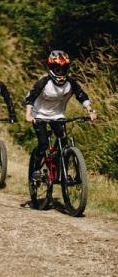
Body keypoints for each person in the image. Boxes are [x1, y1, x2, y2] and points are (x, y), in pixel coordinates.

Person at [25, 50, 97, 180]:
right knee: (43, 144)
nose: (61, 72)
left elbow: (81, 95)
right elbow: (31, 97)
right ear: (51, 68)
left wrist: (90, 111)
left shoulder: (70, 83)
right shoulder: (44, 82)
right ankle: (35, 169)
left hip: (57, 115)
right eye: (57, 69)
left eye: (64, 69)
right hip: (39, 115)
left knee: (63, 143)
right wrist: (29, 115)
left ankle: (60, 170)